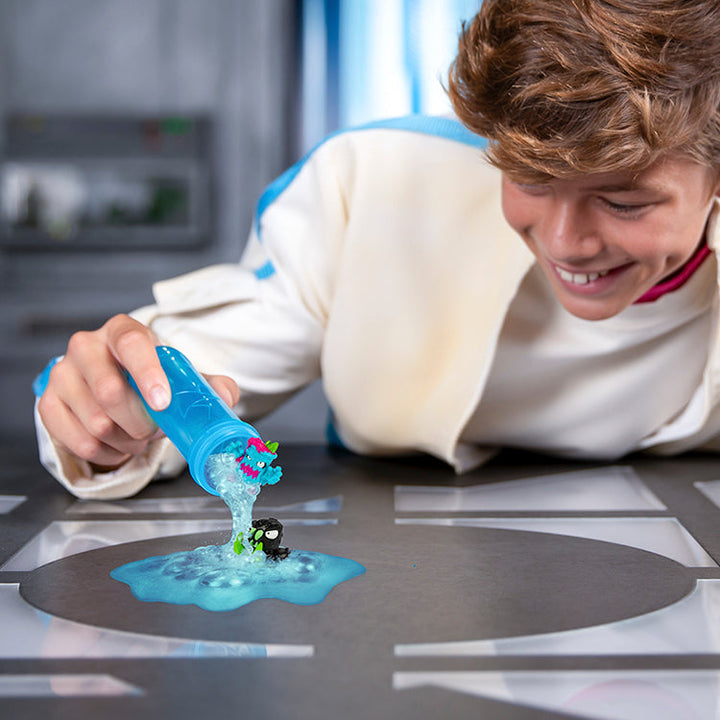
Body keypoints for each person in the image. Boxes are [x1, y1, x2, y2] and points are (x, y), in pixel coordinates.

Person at [35, 0, 720, 499]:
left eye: (625, 202)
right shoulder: (367, 185)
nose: (568, 242)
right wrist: (104, 410)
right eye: (529, 179)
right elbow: (189, 375)